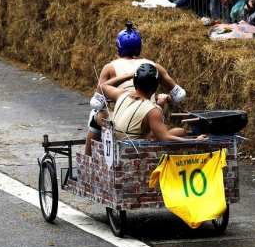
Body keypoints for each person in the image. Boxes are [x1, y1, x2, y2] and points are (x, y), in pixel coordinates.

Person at [85, 22, 189, 154]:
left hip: (124, 118)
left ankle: (87, 158)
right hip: (148, 116)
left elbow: (96, 102)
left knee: (96, 113)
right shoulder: (153, 67)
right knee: (175, 130)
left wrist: (127, 77)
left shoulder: (114, 75)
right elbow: (179, 95)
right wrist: (167, 98)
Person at [100, 63, 205, 142]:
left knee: (176, 131)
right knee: (180, 133)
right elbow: (166, 138)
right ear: (155, 88)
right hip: (134, 147)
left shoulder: (122, 94)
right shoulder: (152, 110)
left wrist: (129, 75)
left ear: (134, 83)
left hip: (117, 142)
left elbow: (103, 86)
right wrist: (195, 140)